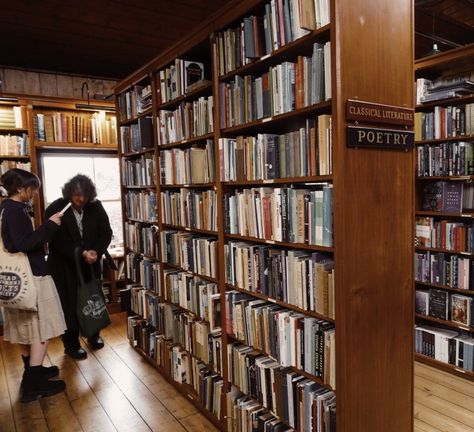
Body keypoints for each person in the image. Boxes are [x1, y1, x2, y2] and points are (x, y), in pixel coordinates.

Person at [0, 168, 66, 402]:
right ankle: (34, 382)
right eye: (32, 189)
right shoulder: (16, 211)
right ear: (20, 189)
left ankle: (32, 370)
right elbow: (23, 244)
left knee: (25, 325)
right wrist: (49, 226)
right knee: (42, 327)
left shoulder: (4, 208)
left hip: (15, 278)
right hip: (32, 276)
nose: (35, 193)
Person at [45, 174, 112, 359]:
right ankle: (71, 343)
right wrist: (81, 253)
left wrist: (96, 252)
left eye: (84, 195)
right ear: (69, 193)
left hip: (90, 263)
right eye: (76, 195)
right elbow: (56, 240)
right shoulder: (56, 207)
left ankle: (93, 334)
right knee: (69, 304)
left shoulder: (95, 207)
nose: (81, 199)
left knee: (92, 300)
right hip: (64, 266)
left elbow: (106, 232)